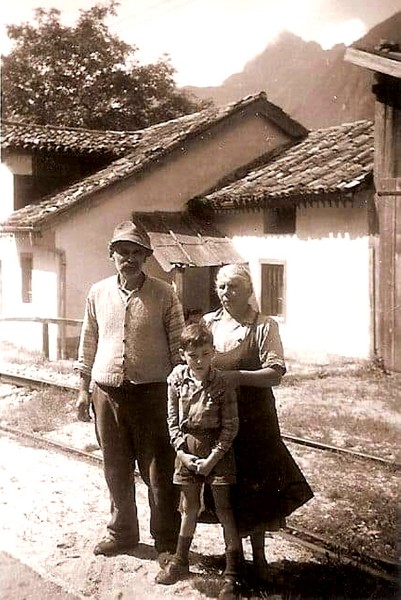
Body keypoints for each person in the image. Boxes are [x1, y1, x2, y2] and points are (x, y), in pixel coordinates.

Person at [75, 220, 184, 557]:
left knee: (158, 471)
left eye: (137, 252)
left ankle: (165, 541)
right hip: (107, 393)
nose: (130, 258)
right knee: (115, 468)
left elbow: (179, 349)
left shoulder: (165, 293)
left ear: (147, 257)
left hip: (153, 394)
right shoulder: (98, 292)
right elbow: (87, 343)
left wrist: (181, 396)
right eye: (123, 251)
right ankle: (122, 533)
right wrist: (82, 390)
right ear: (112, 254)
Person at [202, 264, 313, 581]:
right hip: (219, 421)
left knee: (256, 490)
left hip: (255, 422)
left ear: (249, 290)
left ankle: (260, 562)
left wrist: (234, 377)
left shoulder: (264, 326)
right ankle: (233, 563)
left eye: (233, 286)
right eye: (221, 286)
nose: (226, 292)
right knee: (226, 492)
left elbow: (275, 373)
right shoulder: (209, 324)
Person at [156, 323, 242, 600]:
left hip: (218, 451)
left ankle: (232, 573)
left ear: (213, 352)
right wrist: (182, 453)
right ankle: (181, 562)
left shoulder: (222, 383)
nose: (200, 361)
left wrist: (211, 460)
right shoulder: (176, 379)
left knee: (225, 510)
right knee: (189, 508)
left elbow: (230, 427)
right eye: (193, 356)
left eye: (205, 354)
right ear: (183, 355)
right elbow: (172, 422)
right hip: (188, 451)